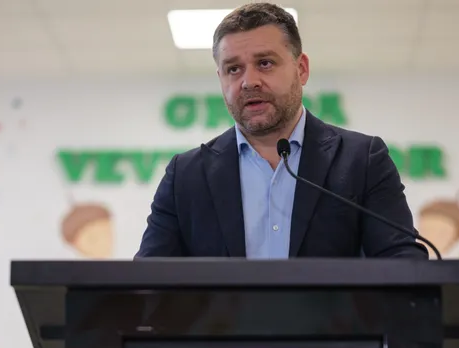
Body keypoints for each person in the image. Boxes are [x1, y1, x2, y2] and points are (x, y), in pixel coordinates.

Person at [135, 2, 428, 259]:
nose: (249, 81)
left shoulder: (362, 161)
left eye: (265, 63)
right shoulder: (186, 175)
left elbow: (402, 265)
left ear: (301, 69)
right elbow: (147, 283)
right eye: (233, 69)